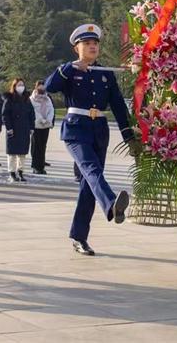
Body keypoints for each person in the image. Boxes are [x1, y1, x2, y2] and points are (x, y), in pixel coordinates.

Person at [45, 24, 138, 256]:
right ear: (77, 48)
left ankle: (79, 237)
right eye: (87, 44)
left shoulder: (104, 72)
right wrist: (67, 68)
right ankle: (111, 204)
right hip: (76, 129)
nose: (92, 47)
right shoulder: (69, 71)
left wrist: (128, 134)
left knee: (88, 186)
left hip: (99, 130)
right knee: (92, 169)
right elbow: (49, 86)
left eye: (95, 43)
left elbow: (117, 103)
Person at [3, 78, 35, 183]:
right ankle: (12, 173)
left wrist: (31, 127)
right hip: (13, 129)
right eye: (18, 85)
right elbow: (5, 114)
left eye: (22, 85)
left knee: (22, 153)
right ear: (14, 86)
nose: (21, 87)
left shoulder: (27, 99)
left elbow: (31, 114)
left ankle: (20, 171)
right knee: (12, 153)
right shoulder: (10, 98)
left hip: (24, 129)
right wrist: (9, 128)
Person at [30, 80, 54, 175]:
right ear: (36, 87)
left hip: (46, 126)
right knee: (36, 146)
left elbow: (51, 110)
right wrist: (41, 120)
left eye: (43, 86)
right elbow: (33, 111)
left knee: (43, 146)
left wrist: (48, 120)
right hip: (36, 125)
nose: (42, 88)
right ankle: (35, 166)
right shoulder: (32, 99)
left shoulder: (47, 98)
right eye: (40, 86)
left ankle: (41, 166)